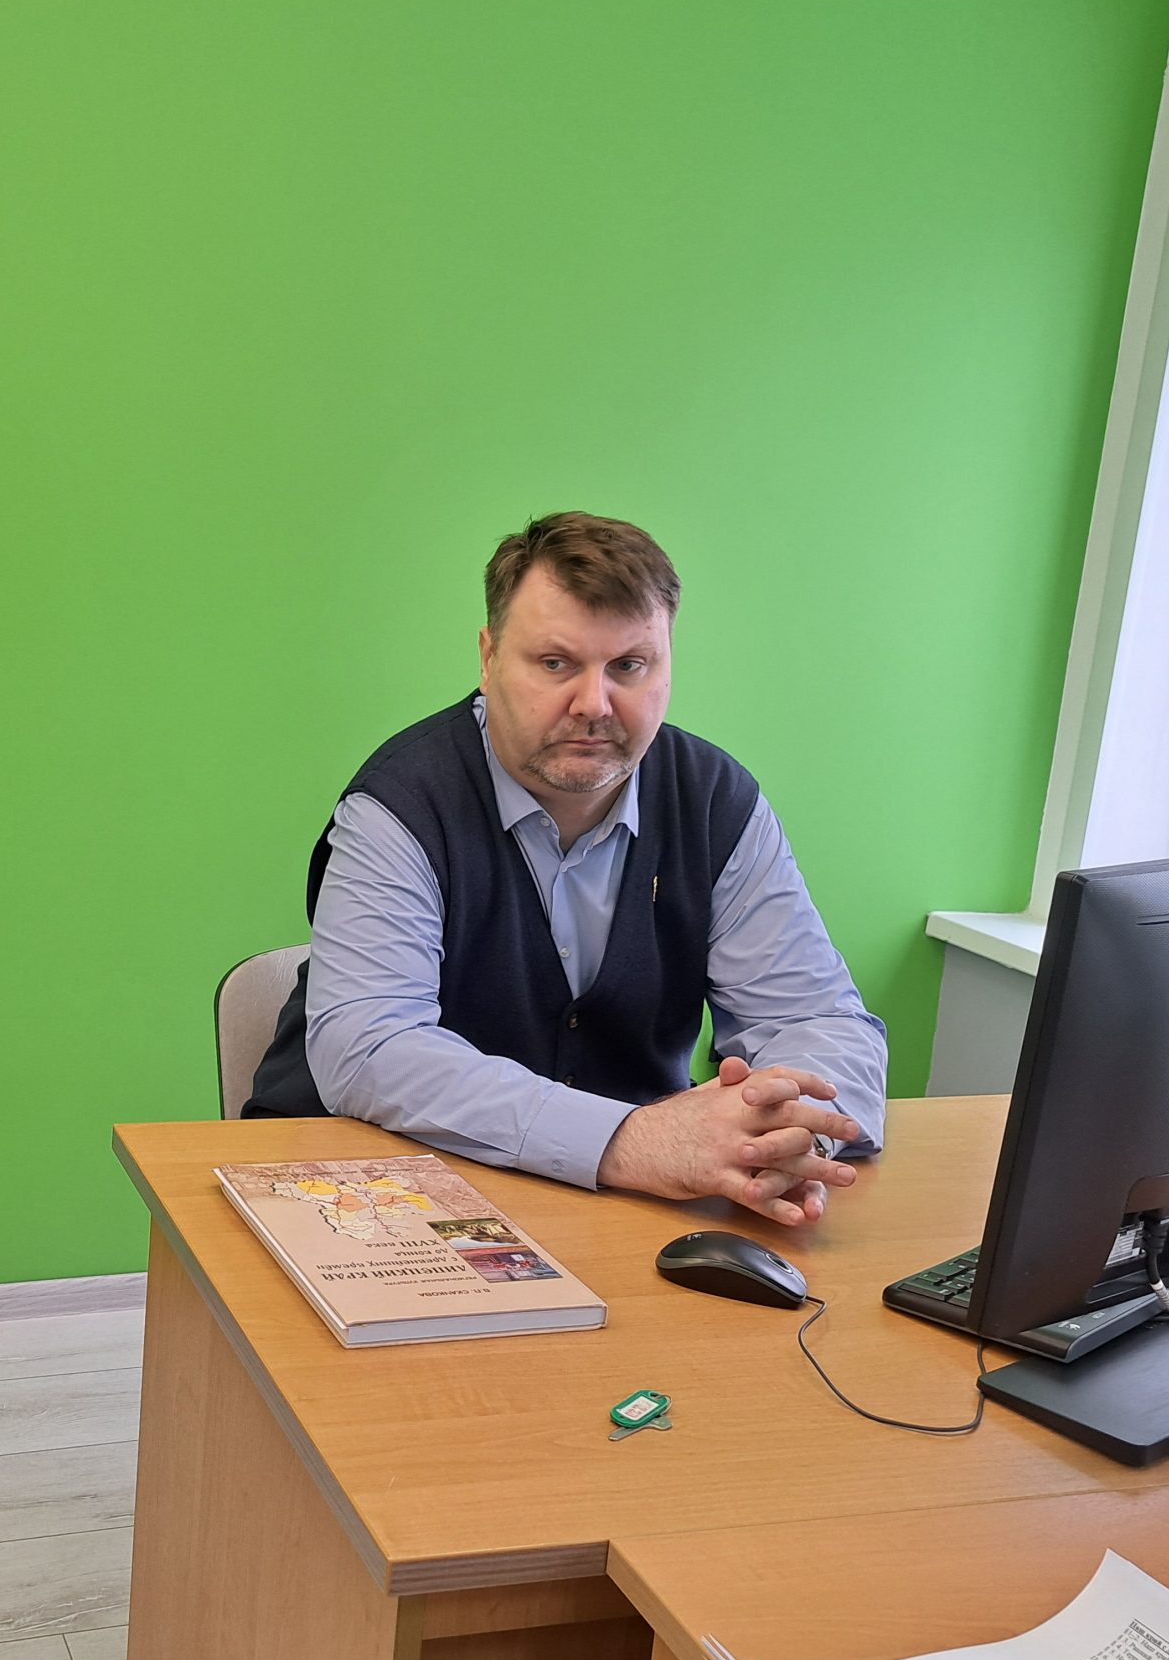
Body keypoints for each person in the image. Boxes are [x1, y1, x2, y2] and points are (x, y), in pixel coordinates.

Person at [245, 512, 886, 1227]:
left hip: (620, 1209)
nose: (593, 704)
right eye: (555, 664)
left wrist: (790, 1135)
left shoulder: (714, 802)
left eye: (629, 666)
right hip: (364, 1195)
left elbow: (815, 1016)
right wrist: (627, 1140)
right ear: (488, 658)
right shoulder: (401, 805)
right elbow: (370, 1047)